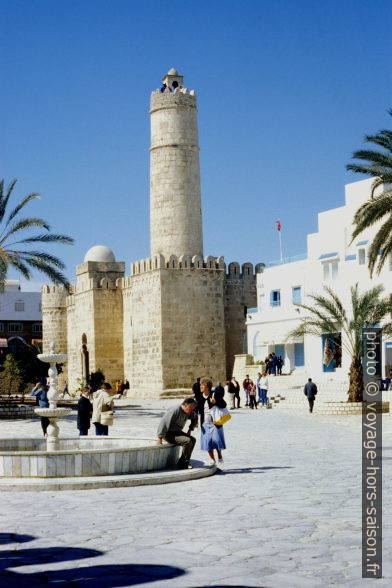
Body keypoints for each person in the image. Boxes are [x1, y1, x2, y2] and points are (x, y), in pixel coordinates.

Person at [156, 397, 198, 469]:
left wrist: (190, 429)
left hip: (177, 432)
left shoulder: (189, 411)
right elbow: (164, 423)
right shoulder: (174, 410)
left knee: (193, 440)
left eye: (193, 409)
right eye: (191, 408)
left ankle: (186, 461)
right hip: (169, 434)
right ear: (185, 405)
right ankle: (182, 464)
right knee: (187, 441)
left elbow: (195, 417)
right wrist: (160, 438)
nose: (192, 410)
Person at [199, 377, 227, 465]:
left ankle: (219, 454)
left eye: (202, 385)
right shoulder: (199, 397)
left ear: (207, 387)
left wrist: (216, 402)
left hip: (215, 422)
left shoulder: (214, 395)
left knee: (216, 440)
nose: (200, 386)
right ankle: (212, 459)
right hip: (204, 423)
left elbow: (224, 404)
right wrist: (196, 422)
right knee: (207, 441)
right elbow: (198, 410)